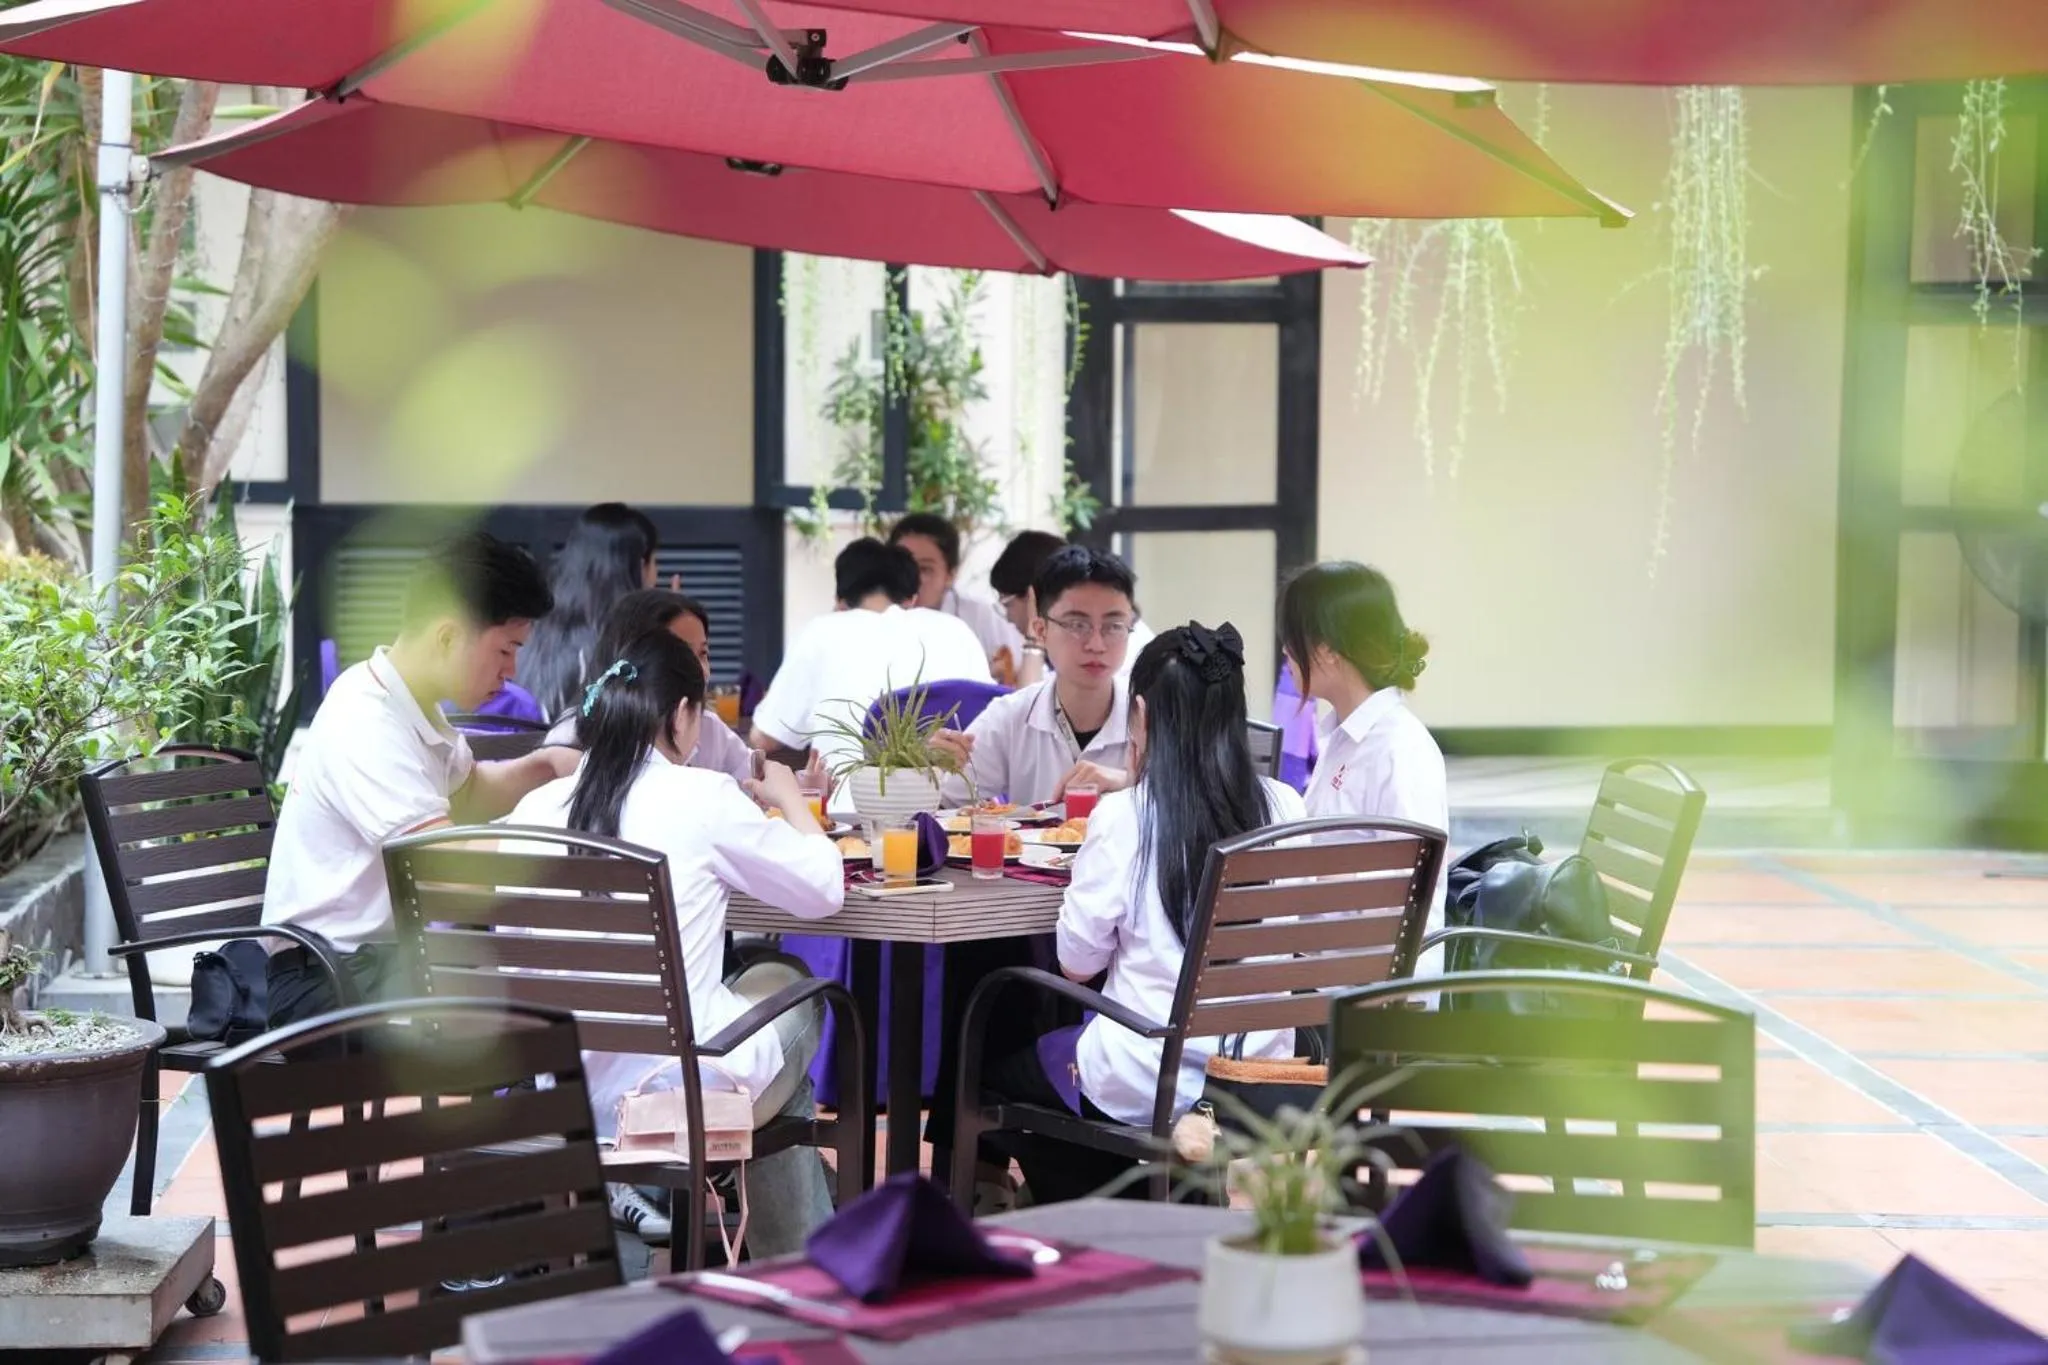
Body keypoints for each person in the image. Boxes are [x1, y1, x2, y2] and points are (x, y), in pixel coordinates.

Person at [510, 628, 843, 1256]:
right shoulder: (702, 796)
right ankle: (805, 1272)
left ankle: (725, 1252)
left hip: (563, 1096)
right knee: (796, 987)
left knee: (754, 992)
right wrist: (791, 801)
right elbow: (823, 890)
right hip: (678, 1097)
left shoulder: (534, 809)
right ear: (683, 714)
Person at [970, 624, 1307, 1205]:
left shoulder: (1127, 815)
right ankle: (1170, 1196)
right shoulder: (1285, 804)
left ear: (1141, 714)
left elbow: (1076, 965)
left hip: (1152, 1074)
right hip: (1262, 1072)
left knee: (988, 1067)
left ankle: (1102, 1209)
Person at [263, 532, 578, 1029]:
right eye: (506, 649)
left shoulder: (411, 704)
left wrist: (547, 765)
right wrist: (567, 839)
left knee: (549, 999)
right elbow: (444, 868)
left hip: (381, 964)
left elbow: (470, 793)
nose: (512, 671)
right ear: (448, 636)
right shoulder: (366, 721)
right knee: (537, 1017)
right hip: (327, 982)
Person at [1280, 562, 1449, 975]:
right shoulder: (1342, 736)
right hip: (1322, 969)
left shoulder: (1398, 750)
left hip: (1367, 995)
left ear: (1326, 651)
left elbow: (1407, 899)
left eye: (1290, 638)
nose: (1285, 651)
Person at [750, 538, 991, 775]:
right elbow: (989, 726)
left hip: (847, 805)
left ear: (840, 602)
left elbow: (763, 739)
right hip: (954, 809)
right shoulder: (956, 630)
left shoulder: (821, 631)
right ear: (912, 599)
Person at [931, 545, 1138, 808]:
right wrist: (926, 770)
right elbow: (942, 803)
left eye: (1113, 626)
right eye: (1077, 625)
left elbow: (1194, 808)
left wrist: (1129, 782)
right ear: (1041, 630)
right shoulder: (1012, 716)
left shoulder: (1153, 716)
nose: (1096, 644)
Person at [542, 589, 755, 785]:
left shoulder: (708, 727)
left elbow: (751, 781)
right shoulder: (572, 737)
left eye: (703, 654)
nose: (701, 671)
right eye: (681, 655)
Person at [517, 503, 661, 719]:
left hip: (525, 749)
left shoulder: (535, 629)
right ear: (640, 567)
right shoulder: (623, 647)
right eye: (656, 563)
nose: (656, 576)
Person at [988, 529, 1154, 682]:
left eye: (1007, 603)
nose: (1009, 618)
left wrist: (1033, 642)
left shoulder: (1120, 646)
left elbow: (1028, 711)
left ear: (1033, 596)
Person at [891, 512, 1021, 663]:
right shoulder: (875, 618)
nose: (911, 577)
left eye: (925, 569)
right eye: (902, 566)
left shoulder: (979, 617)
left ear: (950, 575)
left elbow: (1020, 675)